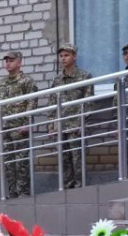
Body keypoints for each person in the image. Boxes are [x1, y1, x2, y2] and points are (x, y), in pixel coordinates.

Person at [0, 50, 38, 198]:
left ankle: (23, 194)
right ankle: (12, 194)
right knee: (8, 163)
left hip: (20, 128)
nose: (8, 63)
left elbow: (32, 102)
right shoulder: (2, 83)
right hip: (5, 127)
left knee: (21, 162)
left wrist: (27, 122)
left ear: (19, 62)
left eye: (11, 60)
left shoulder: (26, 81)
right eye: (6, 61)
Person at [47, 43, 93, 190]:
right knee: (64, 160)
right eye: (61, 56)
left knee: (77, 160)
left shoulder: (84, 76)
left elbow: (88, 102)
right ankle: (66, 188)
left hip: (76, 127)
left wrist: (82, 122)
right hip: (61, 126)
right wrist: (51, 124)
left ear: (74, 57)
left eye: (66, 55)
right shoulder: (57, 80)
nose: (63, 58)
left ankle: (80, 188)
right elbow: (53, 103)